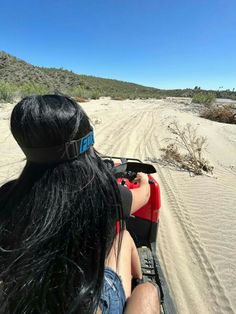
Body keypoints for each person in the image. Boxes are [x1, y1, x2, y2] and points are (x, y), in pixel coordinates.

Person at [0, 95, 160, 314]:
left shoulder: (7, 195)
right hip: (87, 303)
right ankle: (140, 281)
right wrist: (142, 179)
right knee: (147, 288)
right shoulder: (106, 195)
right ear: (88, 142)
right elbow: (145, 194)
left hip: (21, 303)